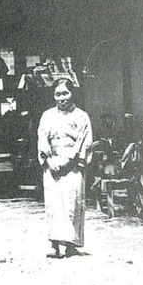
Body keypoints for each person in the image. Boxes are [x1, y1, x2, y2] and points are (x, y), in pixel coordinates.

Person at [37, 77, 93, 259]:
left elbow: (84, 142)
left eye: (65, 93)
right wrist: (49, 160)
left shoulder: (82, 116)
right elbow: (42, 138)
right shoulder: (47, 115)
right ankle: (54, 244)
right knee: (53, 205)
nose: (61, 98)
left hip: (72, 165)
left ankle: (71, 245)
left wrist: (68, 161)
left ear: (72, 93)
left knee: (72, 203)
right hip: (52, 164)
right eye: (57, 94)